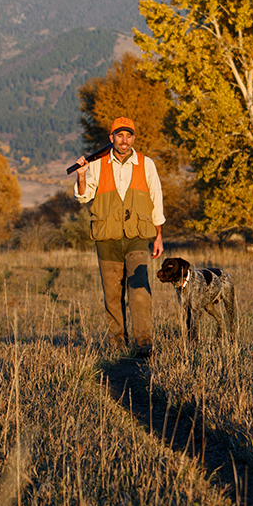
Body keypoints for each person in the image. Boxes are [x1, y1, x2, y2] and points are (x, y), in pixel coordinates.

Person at [74, 117, 164, 357]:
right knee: (113, 294)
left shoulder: (146, 164)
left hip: (137, 236)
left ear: (133, 138)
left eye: (129, 136)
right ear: (111, 138)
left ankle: (144, 342)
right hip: (107, 237)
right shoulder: (97, 164)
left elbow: (157, 200)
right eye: (120, 135)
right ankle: (118, 345)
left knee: (140, 289)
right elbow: (83, 196)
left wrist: (158, 236)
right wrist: (82, 174)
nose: (124, 141)